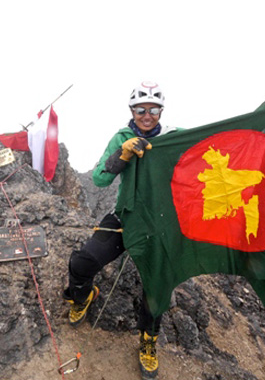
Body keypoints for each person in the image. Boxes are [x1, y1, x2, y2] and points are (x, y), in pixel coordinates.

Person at [62, 81, 177, 379]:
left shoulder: (174, 139)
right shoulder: (122, 137)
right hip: (124, 215)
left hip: (157, 222)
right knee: (82, 261)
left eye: (153, 109)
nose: (147, 115)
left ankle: (148, 340)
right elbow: (100, 179)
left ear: (161, 111)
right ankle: (83, 295)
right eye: (141, 109)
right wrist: (121, 156)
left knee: (157, 283)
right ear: (132, 111)